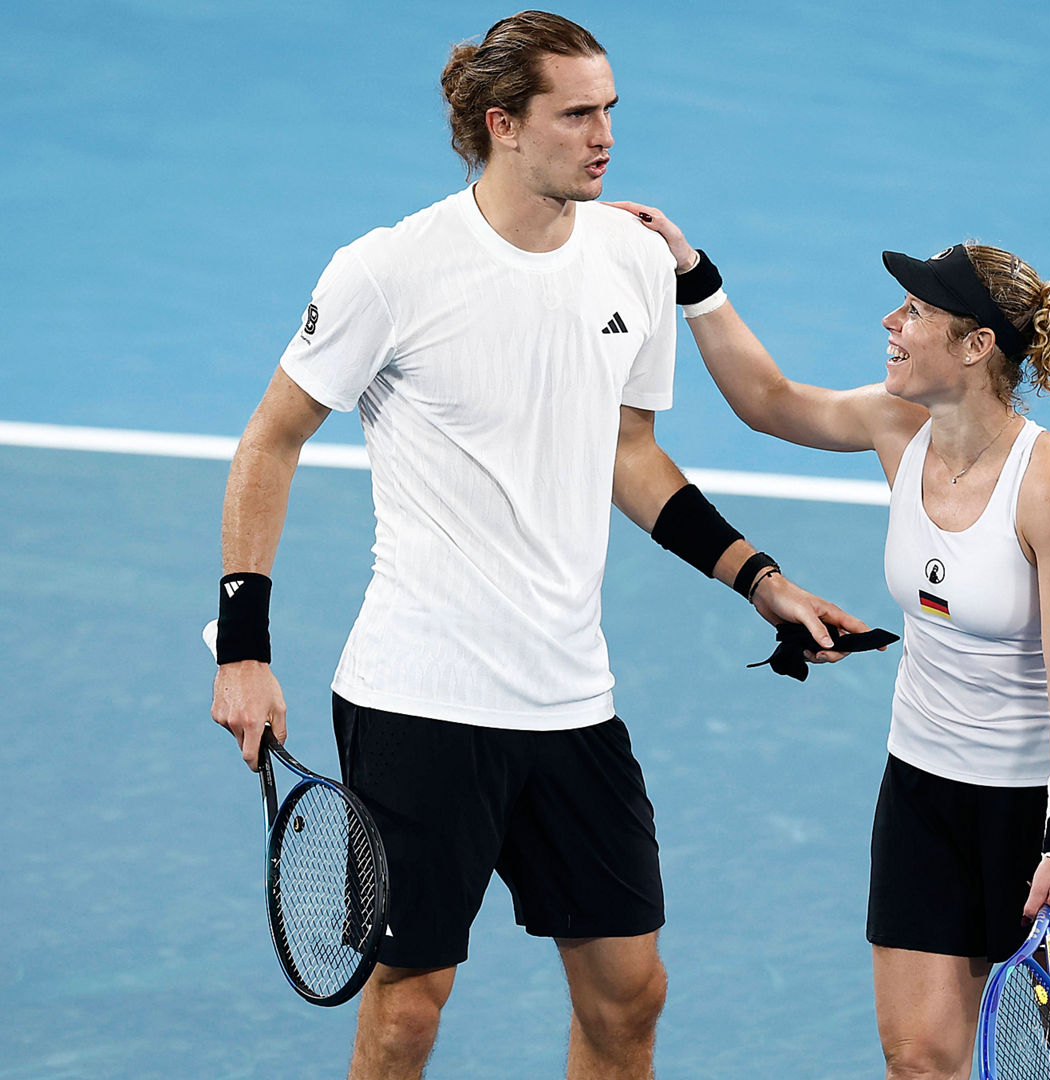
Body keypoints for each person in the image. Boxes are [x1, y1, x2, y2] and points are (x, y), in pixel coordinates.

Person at [208, 12, 871, 1080]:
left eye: (611, 109)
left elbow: (630, 454)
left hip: (570, 698)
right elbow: (269, 439)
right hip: (421, 697)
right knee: (409, 1008)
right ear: (501, 124)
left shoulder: (632, 261)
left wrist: (757, 576)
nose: (604, 134)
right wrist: (242, 645)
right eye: (577, 114)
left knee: (629, 997)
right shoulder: (392, 269)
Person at [609, 202, 1050, 1080]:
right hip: (923, 789)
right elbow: (767, 401)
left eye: (914, 312)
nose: (890, 321)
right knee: (917, 1059)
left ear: (976, 345)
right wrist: (691, 271)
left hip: (1042, 800)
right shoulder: (896, 426)